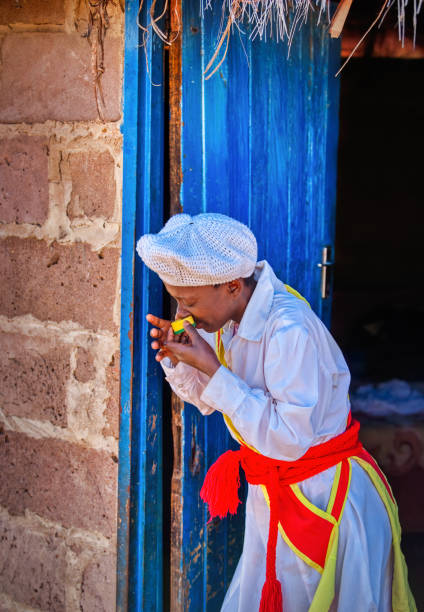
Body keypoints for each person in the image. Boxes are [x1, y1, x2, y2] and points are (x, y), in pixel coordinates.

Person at [137, 212, 415, 612]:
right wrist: (180, 358)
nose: (184, 313)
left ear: (232, 284)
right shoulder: (227, 322)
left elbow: (289, 440)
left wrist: (213, 368)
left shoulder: (288, 330)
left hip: (320, 498)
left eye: (190, 301)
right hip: (275, 495)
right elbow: (210, 399)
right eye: (178, 300)